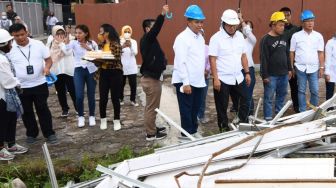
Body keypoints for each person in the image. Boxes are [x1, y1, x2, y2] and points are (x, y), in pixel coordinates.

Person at [8, 23, 57, 144]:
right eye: (16, 36)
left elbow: (48, 59)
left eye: (22, 34)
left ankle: (49, 133)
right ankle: (31, 133)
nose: (20, 38)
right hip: (21, 86)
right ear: (12, 36)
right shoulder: (10, 49)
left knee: (43, 108)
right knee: (26, 111)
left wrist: (47, 68)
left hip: (39, 83)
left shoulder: (38, 44)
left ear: (27, 32)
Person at [209, 9, 251, 132]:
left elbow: (243, 56)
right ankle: (223, 128)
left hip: (238, 76)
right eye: (229, 25)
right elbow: (212, 59)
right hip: (222, 78)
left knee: (244, 102)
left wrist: (247, 72)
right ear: (223, 23)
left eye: (234, 25)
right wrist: (215, 79)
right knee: (222, 106)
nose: (232, 28)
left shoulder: (240, 37)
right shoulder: (216, 38)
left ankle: (243, 124)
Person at [172, 4, 206, 138]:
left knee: (195, 109)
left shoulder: (200, 37)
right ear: (189, 22)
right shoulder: (182, 38)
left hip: (197, 80)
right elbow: (181, 62)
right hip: (185, 81)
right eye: (196, 22)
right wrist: (185, 82)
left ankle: (193, 131)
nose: (199, 25)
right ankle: (186, 136)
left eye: (201, 22)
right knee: (186, 110)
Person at [140, 5, 169, 141]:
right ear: (147, 29)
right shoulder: (147, 38)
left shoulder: (149, 40)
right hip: (151, 80)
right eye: (153, 26)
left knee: (152, 107)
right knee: (152, 108)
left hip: (152, 78)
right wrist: (162, 14)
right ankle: (151, 134)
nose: (156, 29)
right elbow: (157, 28)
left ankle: (152, 128)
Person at [0, 29, 28, 160]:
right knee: (3, 121)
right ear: (3, 44)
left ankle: (11, 144)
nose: (11, 45)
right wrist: (18, 83)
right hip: (3, 95)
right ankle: (1, 148)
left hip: (6, 95)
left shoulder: (3, 57)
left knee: (11, 118)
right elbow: (7, 81)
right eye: (9, 43)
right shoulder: (1, 59)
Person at [260, 12, 292, 121]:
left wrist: (289, 69)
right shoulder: (265, 39)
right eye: (280, 25)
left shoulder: (284, 37)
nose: (283, 28)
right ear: (273, 25)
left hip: (284, 74)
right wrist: (265, 75)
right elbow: (263, 58)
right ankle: (268, 118)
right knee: (269, 97)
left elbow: (287, 53)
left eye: (283, 25)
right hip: (271, 75)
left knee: (282, 95)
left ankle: (279, 115)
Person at [290, 10, 324, 112]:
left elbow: (320, 53)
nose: (310, 23)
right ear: (302, 22)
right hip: (300, 68)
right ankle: (303, 111)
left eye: (312, 20)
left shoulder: (318, 36)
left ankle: (313, 111)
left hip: (314, 68)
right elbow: (291, 52)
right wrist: (292, 67)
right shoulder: (296, 36)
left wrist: (321, 67)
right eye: (308, 21)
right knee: (301, 91)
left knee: (315, 91)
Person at [66, 24, 98, 127]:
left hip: (91, 70)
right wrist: (67, 34)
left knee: (91, 95)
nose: (78, 35)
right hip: (79, 70)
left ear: (86, 33)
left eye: (80, 33)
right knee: (79, 95)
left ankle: (92, 116)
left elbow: (97, 56)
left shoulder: (92, 43)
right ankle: (80, 116)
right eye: (76, 33)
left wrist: (88, 48)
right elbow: (66, 50)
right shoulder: (74, 43)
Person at [96, 24, 123, 131]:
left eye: (101, 32)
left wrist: (103, 58)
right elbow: (98, 61)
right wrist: (94, 60)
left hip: (115, 73)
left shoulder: (116, 44)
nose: (100, 34)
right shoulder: (100, 45)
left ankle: (117, 120)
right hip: (103, 73)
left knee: (115, 98)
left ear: (107, 33)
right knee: (103, 98)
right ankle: (103, 119)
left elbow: (116, 58)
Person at [230, 12, 257, 116]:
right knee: (238, 94)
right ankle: (240, 114)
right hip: (237, 70)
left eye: (249, 27)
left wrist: (242, 20)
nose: (247, 29)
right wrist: (236, 20)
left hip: (248, 69)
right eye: (244, 27)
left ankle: (249, 115)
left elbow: (248, 33)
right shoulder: (237, 40)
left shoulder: (252, 41)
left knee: (248, 94)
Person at [47, 25, 77, 117]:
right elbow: (48, 56)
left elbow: (67, 52)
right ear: (53, 34)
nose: (60, 35)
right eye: (58, 33)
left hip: (68, 70)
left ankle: (78, 108)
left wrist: (62, 44)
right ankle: (65, 109)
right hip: (57, 71)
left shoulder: (69, 42)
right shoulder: (51, 44)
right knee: (60, 91)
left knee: (73, 90)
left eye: (62, 33)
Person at [280, 7, 301, 113]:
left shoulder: (297, 29)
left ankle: (296, 106)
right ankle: (280, 109)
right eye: (283, 15)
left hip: (293, 63)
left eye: (288, 15)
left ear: (291, 16)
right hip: (281, 63)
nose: (286, 17)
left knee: (294, 87)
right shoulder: (278, 30)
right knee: (281, 89)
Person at [120, 25, 139, 107]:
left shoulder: (134, 41)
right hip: (122, 66)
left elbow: (135, 53)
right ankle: (120, 98)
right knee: (121, 84)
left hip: (131, 66)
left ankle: (133, 99)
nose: (127, 33)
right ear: (122, 32)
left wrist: (130, 46)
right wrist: (123, 46)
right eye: (125, 31)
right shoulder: (119, 40)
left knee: (133, 84)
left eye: (128, 31)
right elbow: (116, 52)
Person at [197, 29, 210, 124]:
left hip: (205, 76)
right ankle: (194, 116)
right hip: (195, 76)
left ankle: (201, 116)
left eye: (202, 35)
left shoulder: (207, 48)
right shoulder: (193, 48)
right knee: (194, 97)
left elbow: (210, 60)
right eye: (198, 35)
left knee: (202, 97)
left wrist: (206, 70)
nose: (200, 36)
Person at [325, 33, 336, 101]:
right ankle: (329, 109)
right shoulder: (331, 42)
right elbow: (327, 58)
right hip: (332, 71)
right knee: (330, 92)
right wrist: (327, 73)